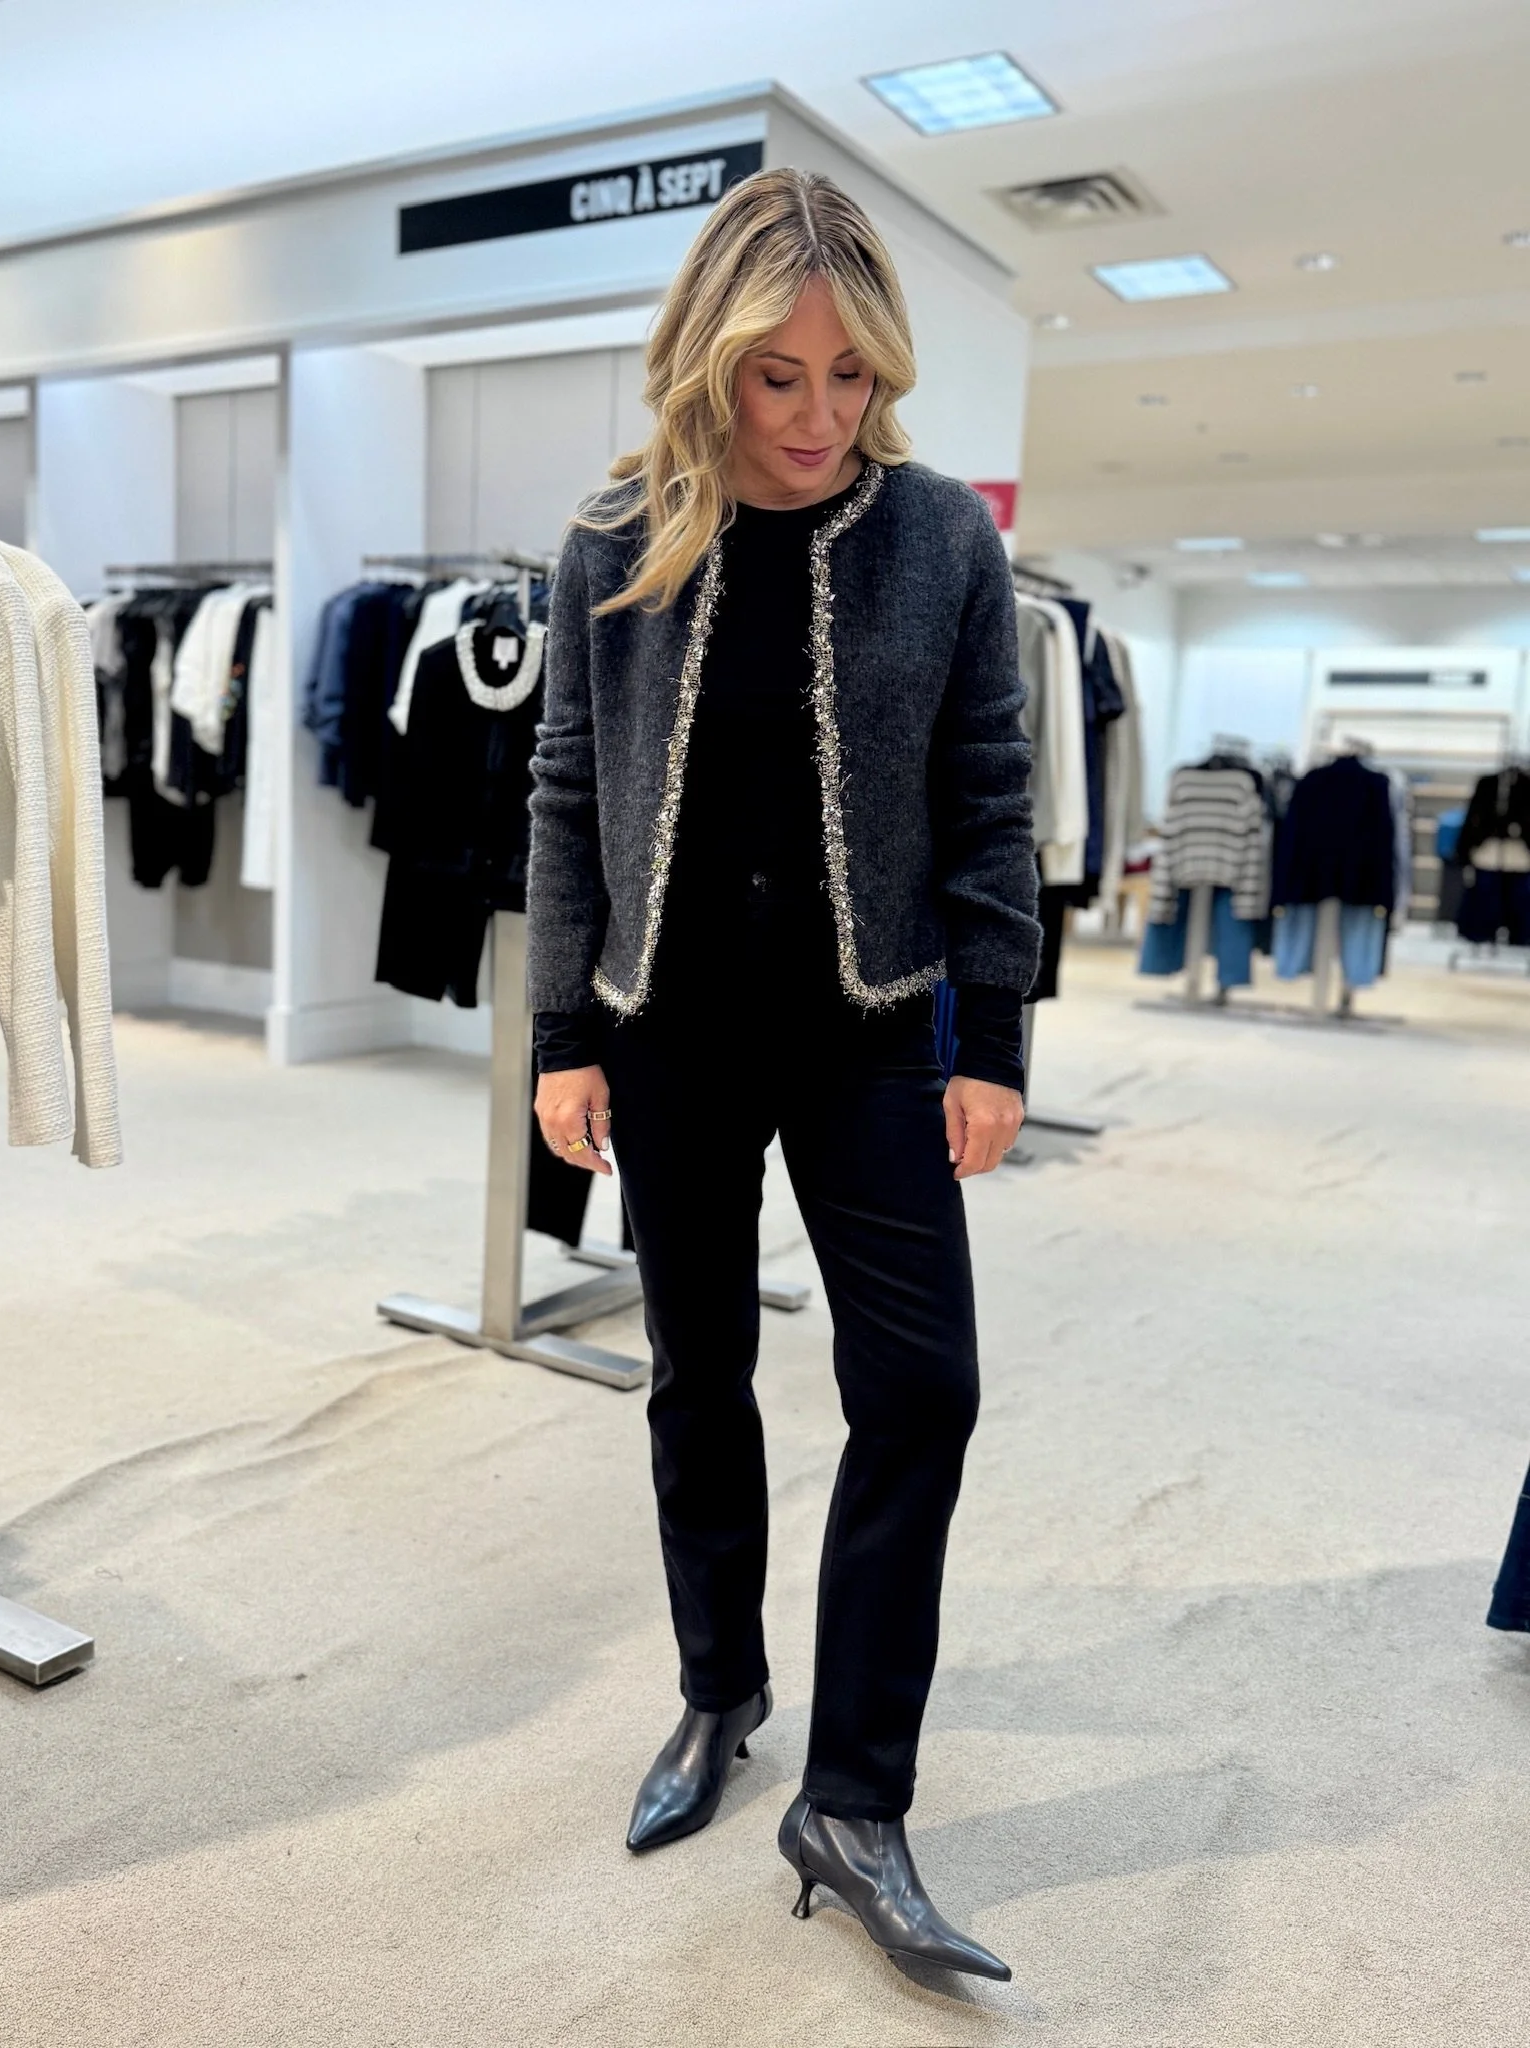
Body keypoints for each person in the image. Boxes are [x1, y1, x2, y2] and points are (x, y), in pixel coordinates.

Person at [527, 167, 1039, 1980]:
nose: (820, 414)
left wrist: (996, 1034)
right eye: (778, 376)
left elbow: (990, 790)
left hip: (872, 1029)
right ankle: (719, 1689)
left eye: (851, 374)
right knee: (701, 1375)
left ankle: (857, 1796)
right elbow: (568, 791)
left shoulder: (942, 539)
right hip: (668, 1027)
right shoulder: (616, 534)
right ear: (710, 361)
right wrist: (563, 1033)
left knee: (924, 1390)